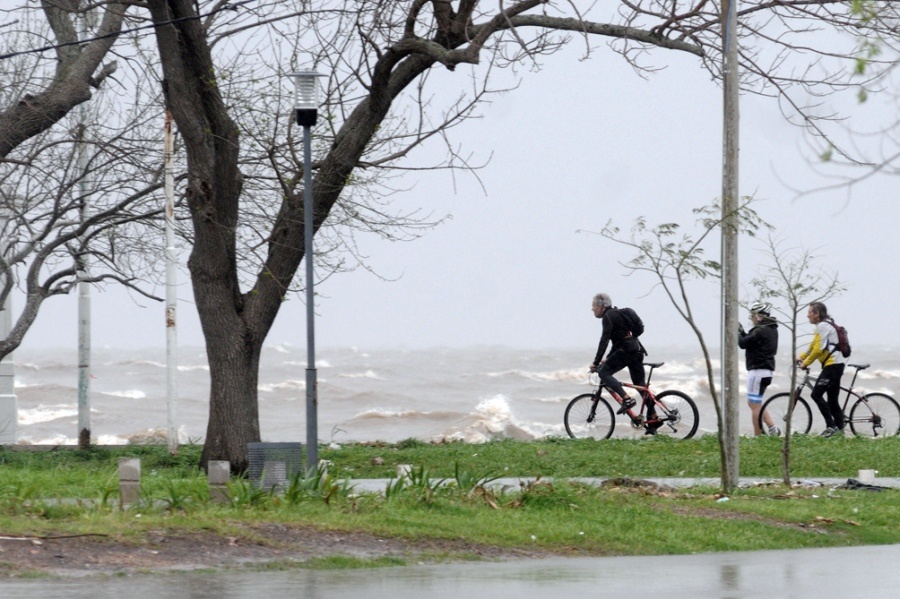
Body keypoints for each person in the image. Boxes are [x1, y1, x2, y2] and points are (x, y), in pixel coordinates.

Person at [589, 293, 657, 433]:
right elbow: (618, 342)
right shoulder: (618, 315)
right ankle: (654, 418)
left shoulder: (608, 317)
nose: (592, 309)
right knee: (640, 386)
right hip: (637, 350)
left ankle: (626, 399)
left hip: (627, 351)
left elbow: (604, 341)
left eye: (594, 306)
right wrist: (607, 359)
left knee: (604, 373)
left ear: (602, 306)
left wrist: (596, 362)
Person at [797, 301, 846, 437]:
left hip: (833, 365)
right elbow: (814, 345)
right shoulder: (823, 325)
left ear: (817, 314)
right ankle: (840, 430)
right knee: (832, 400)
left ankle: (831, 426)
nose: (807, 316)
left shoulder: (823, 326)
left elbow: (818, 350)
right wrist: (802, 356)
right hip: (836, 365)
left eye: (809, 313)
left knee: (816, 394)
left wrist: (805, 363)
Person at [738, 302, 780, 436]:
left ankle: (758, 436)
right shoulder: (772, 329)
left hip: (758, 371)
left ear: (760, 315)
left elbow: (743, 343)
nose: (751, 318)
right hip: (766, 371)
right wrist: (743, 332)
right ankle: (772, 428)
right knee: (755, 403)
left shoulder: (761, 330)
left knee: (754, 405)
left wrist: (738, 333)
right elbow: (751, 341)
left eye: (753, 315)